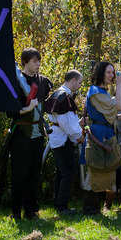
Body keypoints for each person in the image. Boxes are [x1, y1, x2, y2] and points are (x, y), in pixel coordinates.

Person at [8, 48, 52, 220]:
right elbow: (10, 111)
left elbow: (46, 103)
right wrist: (28, 107)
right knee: (19, 173)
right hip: (21, 133)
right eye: (34, 61)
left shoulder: (42, 82)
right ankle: (16, 212)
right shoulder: (16, 82)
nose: (38, 64)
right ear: (25, 62)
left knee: (35, 173)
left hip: (38, 133)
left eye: (39, 61)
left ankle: (31, 210)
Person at [83, 61, 121, 215]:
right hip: (98, 134)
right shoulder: (95, 91)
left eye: (113, 72)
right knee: (96, 168)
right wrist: (119, 85)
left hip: (106, 133)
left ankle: (98, 207)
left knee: (107, 168)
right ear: (100, 73)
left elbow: (113, 108)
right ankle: (90, 208)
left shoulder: (102, 91)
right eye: (108, 72)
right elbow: (118, 106)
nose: (112, 75)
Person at [45, 70, 85, 216]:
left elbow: (66, 120)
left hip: (58, 138)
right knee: (67, 173)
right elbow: (66, 123)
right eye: (79, 82)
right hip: (63, 139)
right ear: (73, 80)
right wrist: (79, 135)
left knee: (62, 173)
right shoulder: (64, 97)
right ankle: (62, 206)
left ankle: (59, 203)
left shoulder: (57, 94)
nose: (80, 86)